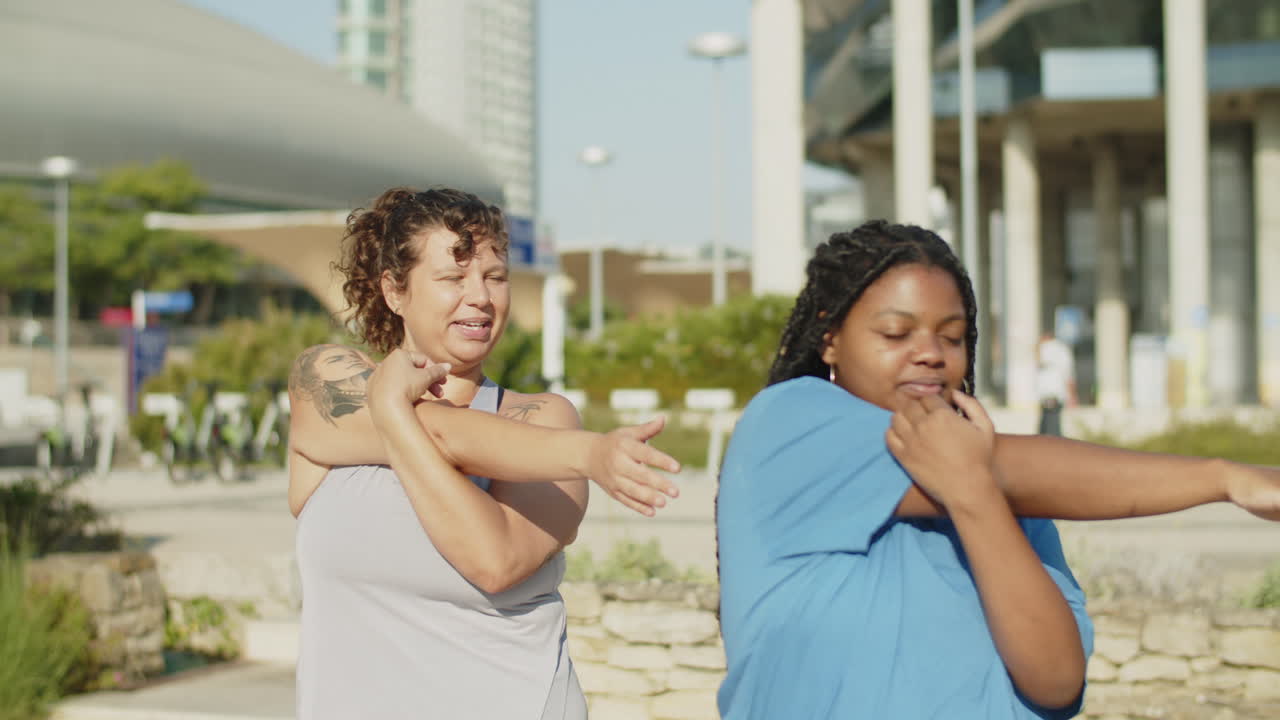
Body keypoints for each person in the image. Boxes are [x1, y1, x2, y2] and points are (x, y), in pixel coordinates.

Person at [715, 220, 1280, 719]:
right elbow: (1009, 464)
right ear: (830, 336)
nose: (930, 353)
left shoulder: (1013, 502)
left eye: (952, 336)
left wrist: (977, 501)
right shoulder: (789, 423)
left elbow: (1057, 682)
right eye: (895, 333)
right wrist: (1224, 478)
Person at [285, 187, 681, 720]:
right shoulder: (327, 377)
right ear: (394, 291)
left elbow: (495, 563)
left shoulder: (546, 420)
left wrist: (394, 410)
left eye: (495, 277)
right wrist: (585, 455)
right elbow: (446, 435)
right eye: (452, 278)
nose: (481, 297)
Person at [1036, 330, 1076, 436]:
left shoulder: (1045, 349)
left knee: (1048, 428)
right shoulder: (1061, 350)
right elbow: (1068, 375)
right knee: (1052, 427)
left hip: (1049, 394)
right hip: (1055, 394)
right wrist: (1071, 395)